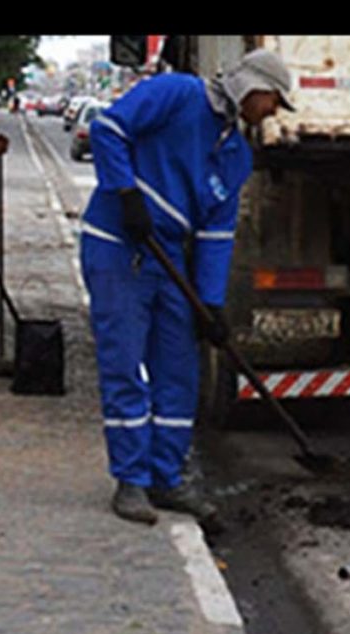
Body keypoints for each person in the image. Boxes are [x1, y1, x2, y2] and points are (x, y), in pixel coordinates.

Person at [79, 49, 295, 527]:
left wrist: (210, 304)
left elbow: (217, 236)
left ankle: (167, 476)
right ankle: (131, 480)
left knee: (178, 368)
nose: (273, 111)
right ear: (251, 88)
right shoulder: (176, 93)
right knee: (125, 364)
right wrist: (126, 194)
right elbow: (108, 130)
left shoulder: (235, 155)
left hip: (168, 256)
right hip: (119, 246)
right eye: (274, 100)